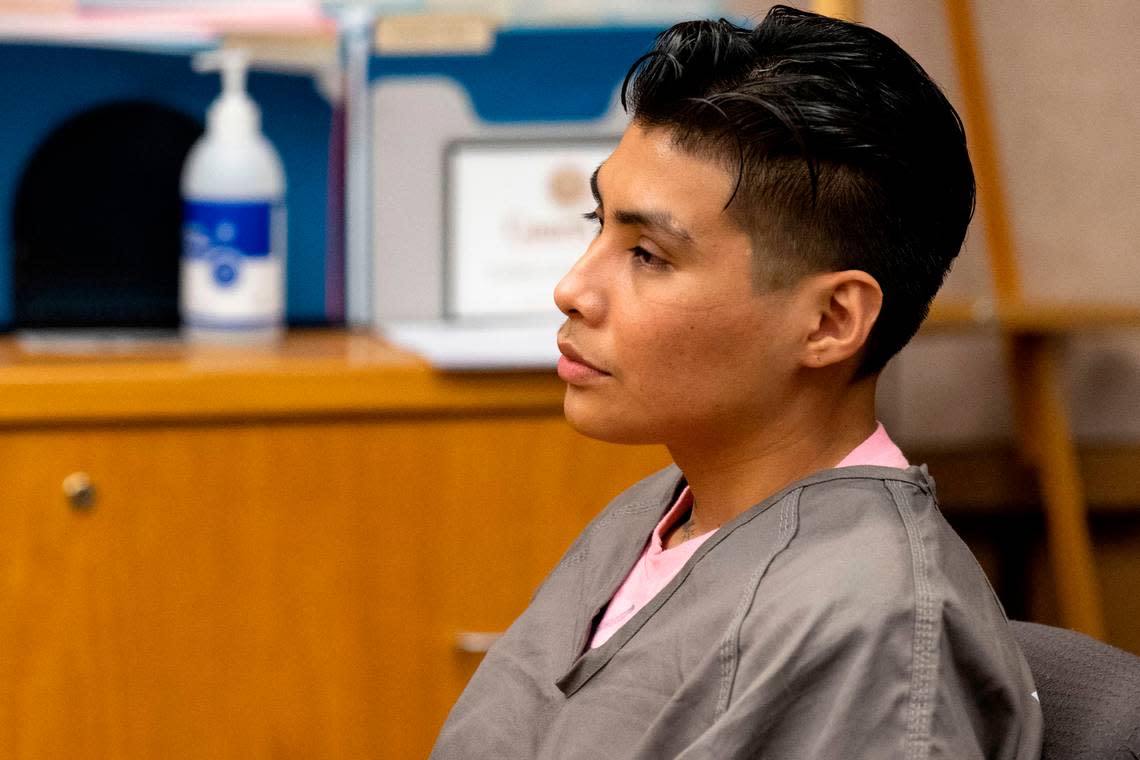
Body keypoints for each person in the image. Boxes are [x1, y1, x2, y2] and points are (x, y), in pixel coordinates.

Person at [431, 6, 1043, 758]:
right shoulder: (653, 516)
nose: (572, 288)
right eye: (599, 227)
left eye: (648, 254)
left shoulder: (871, 629)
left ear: (829, 321)